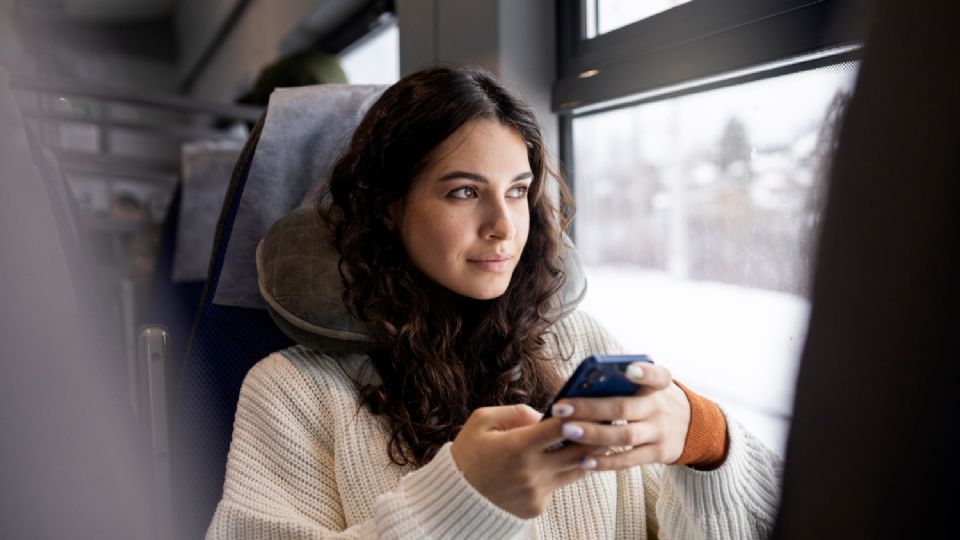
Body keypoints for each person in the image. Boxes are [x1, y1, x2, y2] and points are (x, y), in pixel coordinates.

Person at [206, 66, 782, 539]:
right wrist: (459, 506)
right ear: (387, 205)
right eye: (464, 192)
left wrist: (704, 441)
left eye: (517, 191)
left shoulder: (580, 342)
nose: (504, 227)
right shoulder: (290, 390)